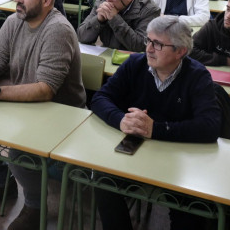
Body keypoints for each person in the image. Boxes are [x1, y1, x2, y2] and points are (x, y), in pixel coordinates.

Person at [0, 0, 86, 230]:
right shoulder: (14, 21)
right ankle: (2, 181)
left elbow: (45, 90)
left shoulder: (58, 30)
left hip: (60, 115)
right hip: (23, 106)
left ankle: (34, 205)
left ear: (47, 0)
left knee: (19, 149)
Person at [91, 15, 221, 230]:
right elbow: (100, 98)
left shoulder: (197, 76)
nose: (149, 49)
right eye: (148, 41)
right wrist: (121, 120)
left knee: (190, 206)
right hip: (136, 154)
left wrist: (156, 129)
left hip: (180, 159)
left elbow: (210, 126)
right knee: (104, 181)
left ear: (181, 51)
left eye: (158, 44)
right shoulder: (135, 64)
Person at [77, 0, 160, 52]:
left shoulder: (149, 10)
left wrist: (115, 19)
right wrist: (98, 20)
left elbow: (141, 46)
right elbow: (81, 37)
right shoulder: (102, 1)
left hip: (132, 60)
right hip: (107, 54)